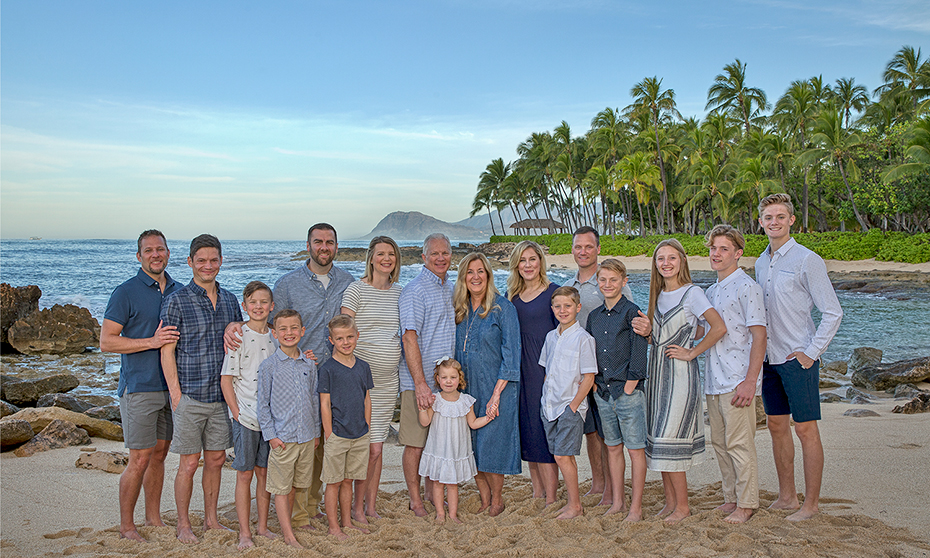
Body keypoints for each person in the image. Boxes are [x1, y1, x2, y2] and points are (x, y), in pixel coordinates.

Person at [225, 223, 353, 528]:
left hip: (333, 373)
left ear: (336, 246)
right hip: (297, 376)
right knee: (297, 445)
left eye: (330, 242)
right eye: (318, 242)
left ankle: (312, 504)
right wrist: (235, 326)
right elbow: (267, 321)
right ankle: (297, 512)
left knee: (320, 443)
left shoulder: (348, 282)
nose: (324, 247)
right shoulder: (286, 284)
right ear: (308, 245)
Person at [755, 193, 842, 522]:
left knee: (805, 430)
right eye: (768, 217)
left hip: (798, 359)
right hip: (769, 359)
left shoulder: (808, 260)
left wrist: (811, 352)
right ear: (761, 222)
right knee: (776, 426)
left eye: (780, 216)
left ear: (792, 220)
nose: (774, 222)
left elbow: (833, 312)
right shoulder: (762, 261)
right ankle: (788, 496)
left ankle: (811, 504)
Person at [160, 234, 243, 543]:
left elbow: (239, 345)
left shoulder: (231, 300)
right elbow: (166, 350)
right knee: (189, 463)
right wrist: (176, 396)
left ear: (221, 261)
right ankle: (184, 524)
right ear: (190, 262)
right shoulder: (177, 300)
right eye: (201, 260)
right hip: (190, 396)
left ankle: (211, 520)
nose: (208, 265)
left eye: (213, 260)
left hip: (221, 397)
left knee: (217, 459)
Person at [100, 230, 180, 542]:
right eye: (149, 251)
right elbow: (107, 341)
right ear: (139, 256)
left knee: (160, 454)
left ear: (169, 253)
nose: (155, 255)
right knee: (140, 459)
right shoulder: (126, 292)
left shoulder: (180, 290)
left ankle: (153, 518)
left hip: (171, 388)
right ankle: (127, 527)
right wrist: (152, 341)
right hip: (139, 387)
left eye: (160, 249)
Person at [645, 238, 726, 523]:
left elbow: (718, 327)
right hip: (656, 374)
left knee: (671, 437)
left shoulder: (693, 293)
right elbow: (656, 336)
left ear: (682, 261)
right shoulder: (657, 294)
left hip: (680, 376)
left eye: (671, 258)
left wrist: (692, 352)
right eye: (660, 259)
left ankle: (683, 507)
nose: (666, 263)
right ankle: (670, 503)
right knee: (660, 441)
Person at [703, 225, 767, 524]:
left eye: (724, 249)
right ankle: (731, 498)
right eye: (714, 248)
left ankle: (747, 502)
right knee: (719, 442)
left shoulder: (748, 287)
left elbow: (759, 336)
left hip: (738, 378)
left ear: (738, 253)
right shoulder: (711, 290)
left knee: (740, 444)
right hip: (714, 379)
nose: (716, 254)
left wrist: (751, 381)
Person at [565, 226, 630, 504]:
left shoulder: (607, 281)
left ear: (598, 249)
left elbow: (628, 315)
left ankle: (611, 488)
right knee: (590, 430)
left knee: (607, 431)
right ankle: (598, 481)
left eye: (588, 247)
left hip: (606, 370)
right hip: (577, 371)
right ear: (572, 250)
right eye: (578, 247)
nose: (583, 251)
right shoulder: (568, 286)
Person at [453, 252, 521, 516]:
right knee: (472, 447)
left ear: (489, 275)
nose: (475, 277)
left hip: (498, 388)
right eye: (470, 272)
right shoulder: (459, 310)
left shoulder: (503, 309)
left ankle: (497, 499)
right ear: (463, 278)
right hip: (467, 390)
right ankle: (484, 499)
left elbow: (511, 356)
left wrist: (496, 395)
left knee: (492, 446)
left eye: (481, 271)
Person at [340, 235, 402, 521]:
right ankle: (352, 508)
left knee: (376, 449)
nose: (386, 258)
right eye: (381, 254)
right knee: (359, 449)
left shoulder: (400, 293)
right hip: (359, 384)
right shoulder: (355, 290)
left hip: (388, 384)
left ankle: (370, 506)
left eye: (391, 254)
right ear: (371, 258)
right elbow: (343, 330)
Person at [585, 259, 649, 521]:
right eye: (603, 280)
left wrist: (631, 387)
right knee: (612, 447)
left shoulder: (632, 312)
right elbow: (589, 354)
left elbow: (639, 353)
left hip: (628, 392)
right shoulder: (594, 317)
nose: (608, 284)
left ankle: (636, 506)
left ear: (624, 281)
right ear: (597, 283)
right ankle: (618, 502)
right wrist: (596, 386)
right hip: (603, 392)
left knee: (635, 450)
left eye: (613, 280)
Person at [397, 233, 455, 516]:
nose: (440, 258)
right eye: (434, 253)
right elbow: (409, 338)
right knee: (416, 444)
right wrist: (420, 384)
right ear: (423, 257)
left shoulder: (450, 288)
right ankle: (415, 499)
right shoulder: (415, 291)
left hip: (444, 384)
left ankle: (433, 495)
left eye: (445, 253)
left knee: (437, 443)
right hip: (418, 384)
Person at [220, 281, 277, 548]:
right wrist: (236, 412)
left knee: (264, 473)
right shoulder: (238, 336)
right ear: (245, 306)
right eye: (253, 302)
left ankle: (262, 527)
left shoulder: (276, 337)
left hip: (271, 420)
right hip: (245, 418)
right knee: (244, 473)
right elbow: (226, 380)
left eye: (263, 302)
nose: (258, 306)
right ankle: (245, 532)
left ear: (271, 306)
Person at [256, 309, 319, 549]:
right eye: (283, 329)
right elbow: (263, 405)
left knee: (297, 484)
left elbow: (313, 398)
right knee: (281, 488)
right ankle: (288, 535)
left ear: (302, 332)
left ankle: (294, 522)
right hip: (283, 438)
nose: (289, 333)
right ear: (274, 333)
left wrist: (315, 432)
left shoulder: (309, 364)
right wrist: (271, 437)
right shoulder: (269, 366)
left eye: (294, 328)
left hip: (304, 437)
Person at [506, 240, 560, 505]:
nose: (527, 265)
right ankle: (537, 492)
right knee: (527, 431)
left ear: (540, 262)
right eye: (522, 260)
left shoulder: (554, 293)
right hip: (520, 372)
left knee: (543, 432)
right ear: (516, 264)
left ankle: (551, 496)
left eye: (532, 259)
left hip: (544, 371)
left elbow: (563, 336)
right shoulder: (511, 297)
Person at [538, 286, 597, 520]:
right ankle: (572, 503)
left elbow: (589, 377)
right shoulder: (551, 337)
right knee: (558, 455)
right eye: (558, 306)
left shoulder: (584, 339)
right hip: (549, 405)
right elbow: (547, 370)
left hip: (569, 408)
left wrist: (573, 407)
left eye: (568, 306)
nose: (563, 310)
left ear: (578, 308)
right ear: (552, 309)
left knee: (564, 456)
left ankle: (575, 505)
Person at [417, 357, 494, 524]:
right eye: (444, 377)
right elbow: (425, 422)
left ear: (460, 378)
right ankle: (440, 514)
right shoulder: (434, 400)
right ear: (438, 379)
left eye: (453, 377)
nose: (448, 381)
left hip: (456, 450)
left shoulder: (466, 401)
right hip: (439, 449)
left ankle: (452, 514)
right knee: (437, 483)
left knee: (452, 484)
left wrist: (488, 417)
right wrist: (422, 409)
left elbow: (473, 423)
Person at [319, 315, 374, 540]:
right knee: (333, 482)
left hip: (359, 433)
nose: (346, 342)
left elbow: (367, 398)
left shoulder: (363, 367)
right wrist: (329, 433)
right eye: (340, 338)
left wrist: (367, 426)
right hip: (337, 435)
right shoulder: (328, 369)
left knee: (349, 480)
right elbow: (324, 403)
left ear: (357, 336)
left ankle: (347, 522)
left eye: (350, 337)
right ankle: (334, 527)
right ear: (331, 340)